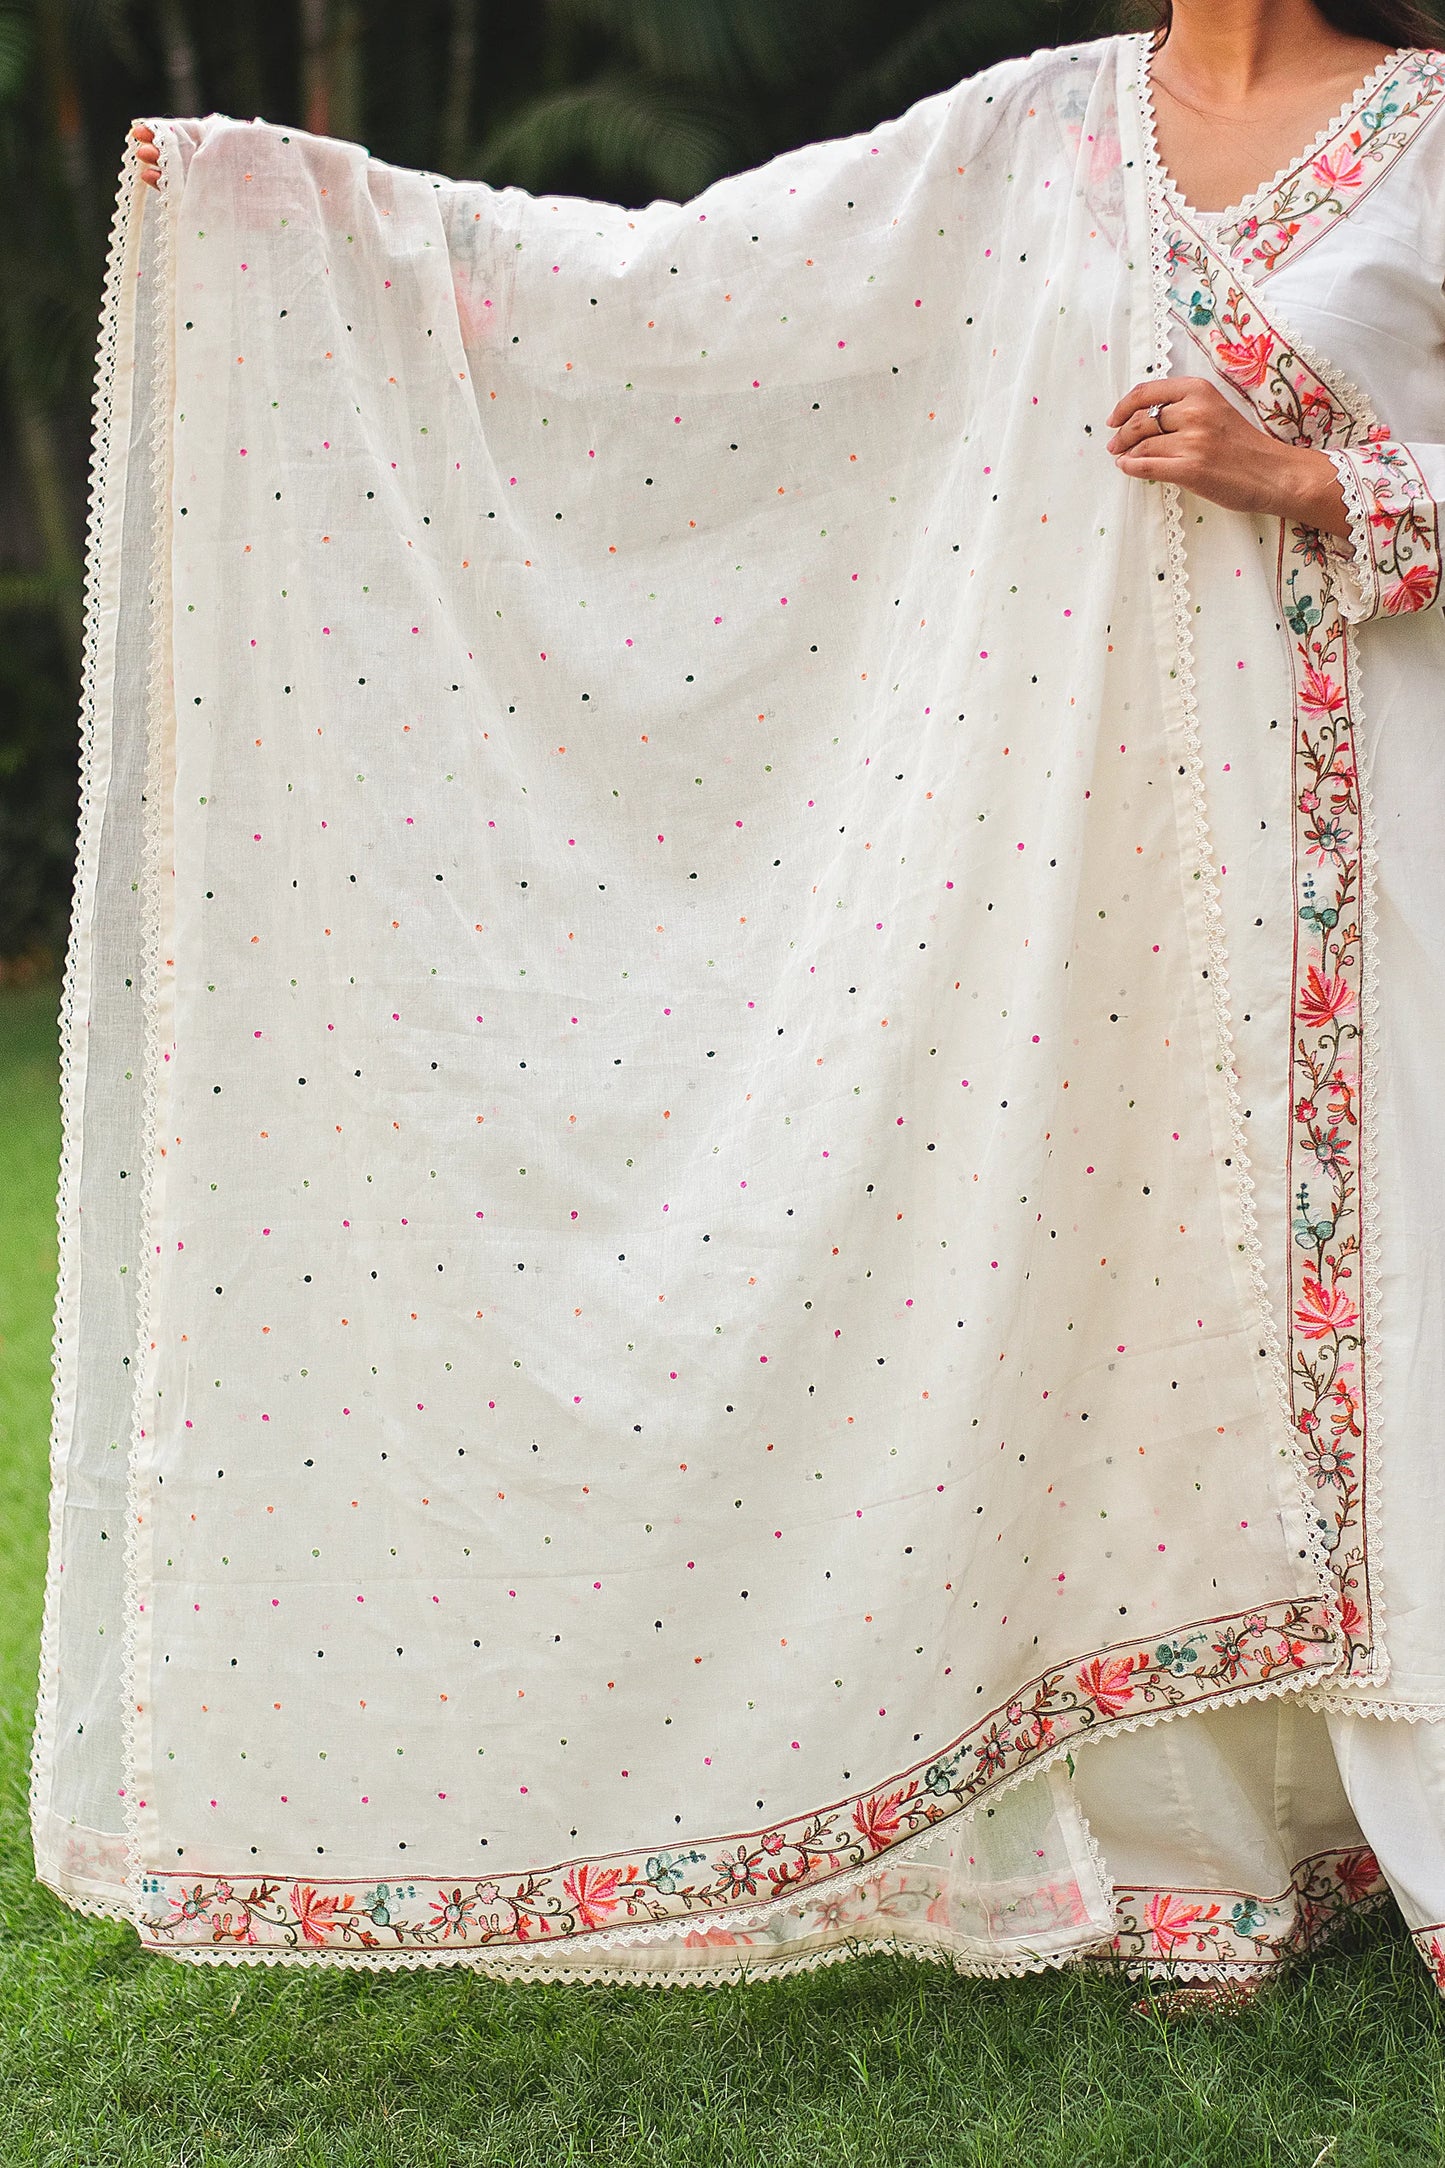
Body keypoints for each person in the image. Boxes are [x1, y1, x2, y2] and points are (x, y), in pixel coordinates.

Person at [87, 0, 1445, 2002]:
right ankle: (1212, 1852)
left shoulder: (1424, 133)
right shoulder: (1034, 133)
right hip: (1109, 875)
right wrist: (307, 219)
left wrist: (1323, 481)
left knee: (1404, 1292)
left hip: (1383, 838)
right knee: (1138, 1308)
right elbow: (697, 292)